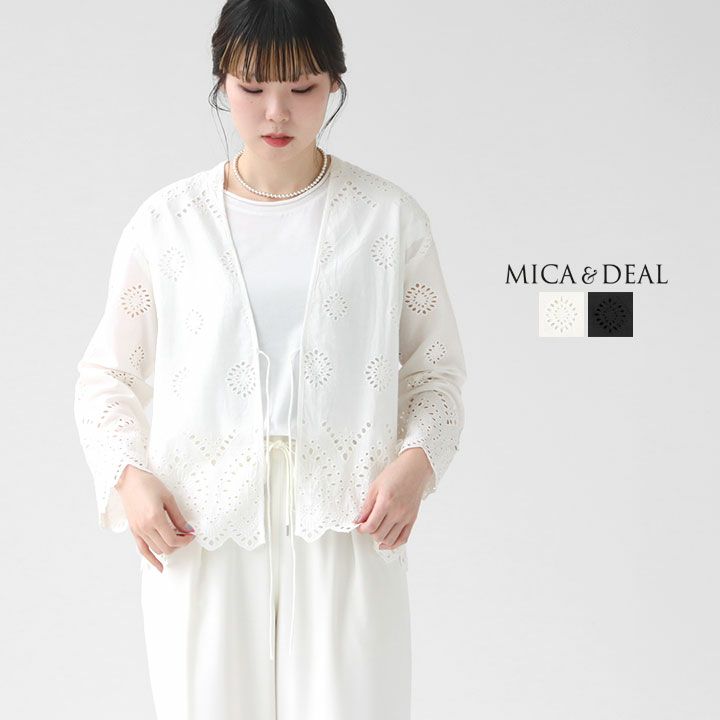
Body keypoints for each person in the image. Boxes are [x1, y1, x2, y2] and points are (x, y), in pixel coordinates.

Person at [73, 1, 466, 718]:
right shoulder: (168, 224)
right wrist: (128, 478)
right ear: (222, 83)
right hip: (201, 526)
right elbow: (108, 377)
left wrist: (416, 465)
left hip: (347, 524)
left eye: (302, 86)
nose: (276, 111)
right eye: (252, 87)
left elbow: (436, 374)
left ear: (335, 83)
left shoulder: (388, 219)